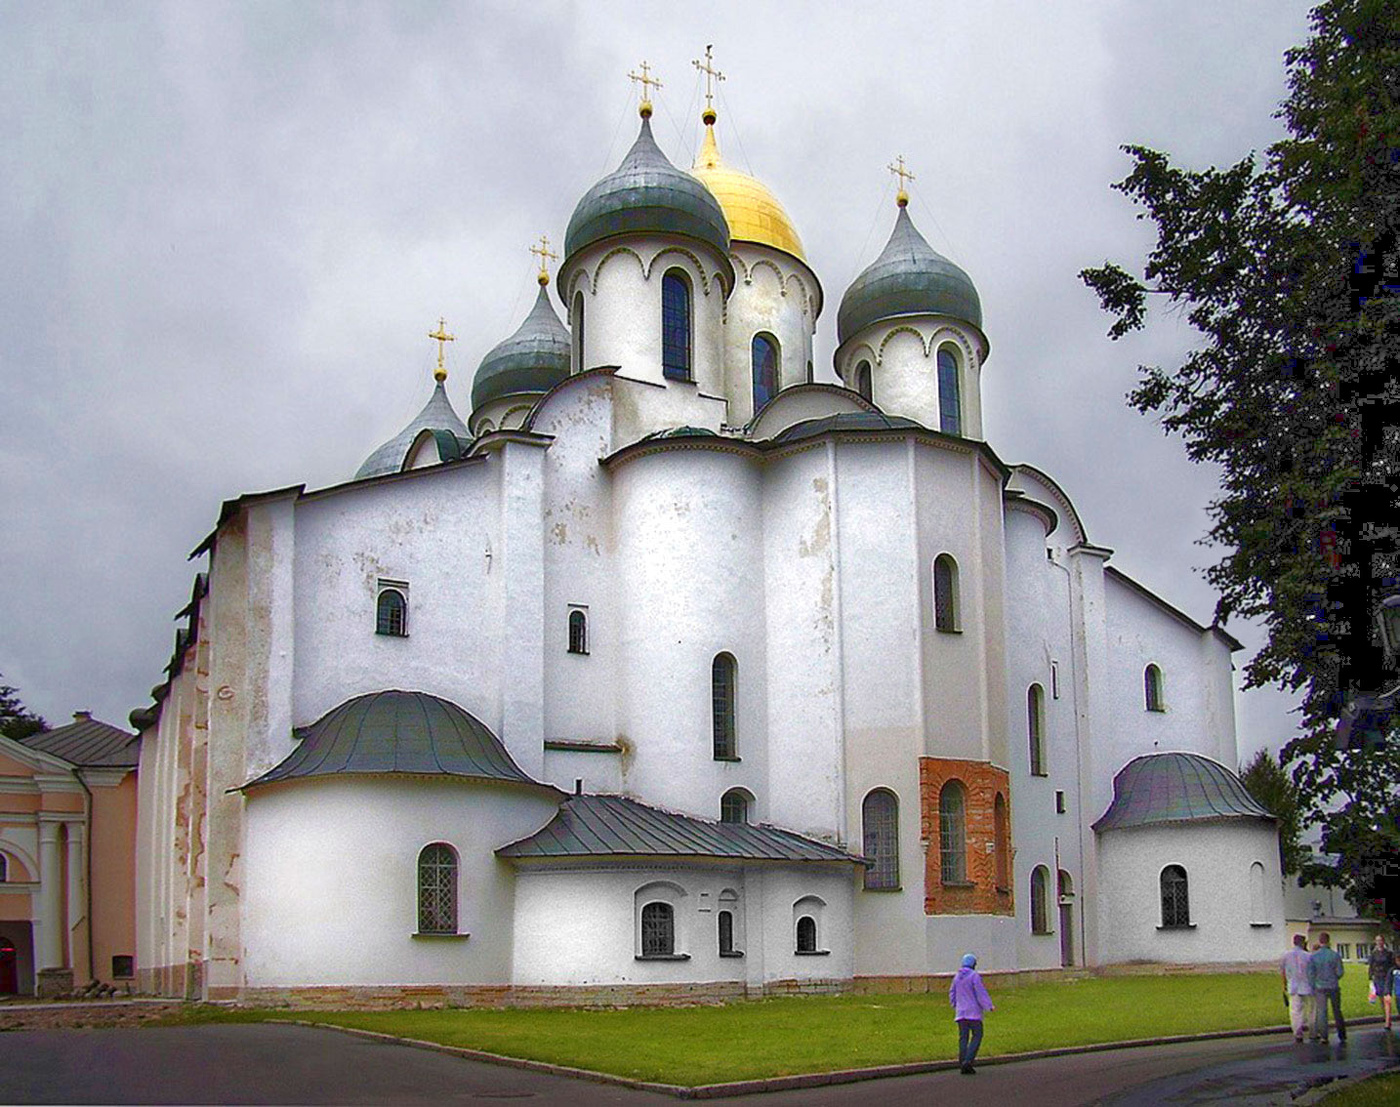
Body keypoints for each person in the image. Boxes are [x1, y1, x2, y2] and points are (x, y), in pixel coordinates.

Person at [949, 952, 994, 1074]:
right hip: (973, 1013)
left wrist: (955, 1005)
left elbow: (952, 992)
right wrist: (989, 1006)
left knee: (963, 1037)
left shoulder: (957, 976)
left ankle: (962, 1060)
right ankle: (968, 1061)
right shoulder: (974, 976)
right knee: (977, 1035)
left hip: (961, 1012)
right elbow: (980, 992)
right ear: (973, 964)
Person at [1308, 931, 1346, 1042]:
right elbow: (1340, 972)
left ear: (1319, 941)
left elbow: (1310, 974)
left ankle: (1324, 1036)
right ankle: (1341, 1034)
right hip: (1333, 985)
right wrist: (1333, 977)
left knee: (1322, 1011)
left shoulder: (1313, 957)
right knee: (1337, 1010)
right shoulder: (1335, 955)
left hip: (1319, 987)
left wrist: (1313, 985)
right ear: (1328, 941)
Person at [1280, 933, 1314, 1042]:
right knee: (1311, 1009)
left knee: (1295, 1010)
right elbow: (1312, 971)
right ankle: (1313, 1030)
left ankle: (1298, 1032)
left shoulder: (1286, 955)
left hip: (1293, 986)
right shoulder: (1308, 956)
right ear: (1303, 943)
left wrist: (1284, 985)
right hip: (1307, 985)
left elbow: (1283, 972)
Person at [1367, 935, 1395, 1031]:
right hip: (1377, 977)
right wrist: (1370, 978)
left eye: (1380, 940)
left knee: (1387, 998)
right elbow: (1371, 966)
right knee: (1381, 1000)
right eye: (1377, 940)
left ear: (1383, 941)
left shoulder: (1388, 953)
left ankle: (1388, 1021)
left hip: (1386, 977)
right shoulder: (1373, 954)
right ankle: (1386, 1016)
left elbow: (1392, 965)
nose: (1379, 942)